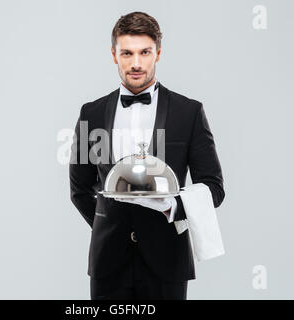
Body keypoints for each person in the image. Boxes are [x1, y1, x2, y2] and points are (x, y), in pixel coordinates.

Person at [69, 11, 225, 300]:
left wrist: (173, 209)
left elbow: (213, 187)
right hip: (108, 263)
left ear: (159, 53)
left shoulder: (188, 112)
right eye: (127, 53)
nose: (136, 63)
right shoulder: (90, 113)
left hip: (168, 260)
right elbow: (79, 189)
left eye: (145, 52)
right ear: (114, 55)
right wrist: (112, 223)